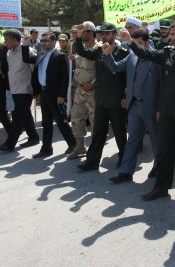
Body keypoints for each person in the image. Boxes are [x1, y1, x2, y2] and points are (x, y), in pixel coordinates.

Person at [119, 21, 175, 200]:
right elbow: (147, 54)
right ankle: (161, 187)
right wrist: (130, 41)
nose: (174, 38)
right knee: (164, 151)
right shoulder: (167, 53)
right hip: (168, 112)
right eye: (172, 35)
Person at [102, 28, 160, 183]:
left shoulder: (156, 58)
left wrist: (160, 108)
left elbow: (164, 86)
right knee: (133, 139)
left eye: (139, 43)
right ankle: (126, 172)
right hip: (134, 105)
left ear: (148, 42)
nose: (136, 47)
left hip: (152, 107)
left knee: (156, 140)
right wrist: (107, 55)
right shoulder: (132, 56)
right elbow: (115, 68)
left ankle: (160, 167)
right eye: (134, 44)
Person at [74, 22, 129, 171]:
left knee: (119, 132)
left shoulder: (123, 52)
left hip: (116, 100)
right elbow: (82, 51)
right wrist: (79, 36)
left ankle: (124, 160)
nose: (104, 36)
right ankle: (92, 161)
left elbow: (126, 77)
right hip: (101, 98)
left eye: (108, 33)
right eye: (102, 33)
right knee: (98, 132)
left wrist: (125, 95)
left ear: (115, 34)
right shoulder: (98, 51)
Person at [21, 32, 76, 158]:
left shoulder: (60, 56)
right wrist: (25, 44)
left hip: (55, 94)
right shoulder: (40, 55)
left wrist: (62, 95)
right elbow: (26, 58)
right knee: (46, 122)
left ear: (53, 42)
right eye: (42, 40)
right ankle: (46, 149)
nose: (43, 43)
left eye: (46, 40)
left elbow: (65, 77)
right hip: (43, 92)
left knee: (61, 121)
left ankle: (73, 143)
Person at [0, 29, 40, 152]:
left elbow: (34, 70)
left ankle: (9, 144)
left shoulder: (28, 51)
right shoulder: (9, 53)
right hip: (14, 89)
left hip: (25, 89)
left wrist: (35, 90)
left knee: (18, 117)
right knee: (25, 115)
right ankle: (34, 137)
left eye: (7, 39)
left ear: (15, 40)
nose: (5, 42)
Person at [67, 21, 97, 159]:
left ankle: (95, 149)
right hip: (79, 91)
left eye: (82, 31)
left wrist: (93, 84)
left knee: (95, 121)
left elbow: (103, 72)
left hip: (93, 92)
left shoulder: (99, 48)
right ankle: (80, 147)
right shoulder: (80, 48)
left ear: (90, 32)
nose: (79, 34)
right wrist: (74, 87)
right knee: (76, 118)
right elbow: (77, 70)